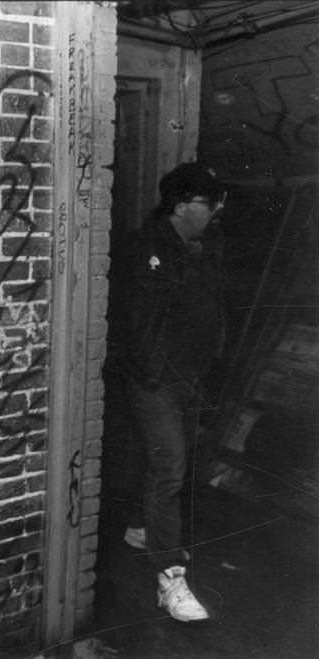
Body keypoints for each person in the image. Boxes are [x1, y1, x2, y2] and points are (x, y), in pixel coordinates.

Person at [119, 162, 227, 622]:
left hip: (188, 378)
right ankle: (169, 576)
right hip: (159, 380)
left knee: (166, 462)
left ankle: (143, 529)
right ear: (182, 206)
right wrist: (152, 373)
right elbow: (139, 323)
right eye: (209, 203)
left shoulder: (201, 247)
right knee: (171, 469)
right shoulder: (148, 249)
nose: (217, 210)